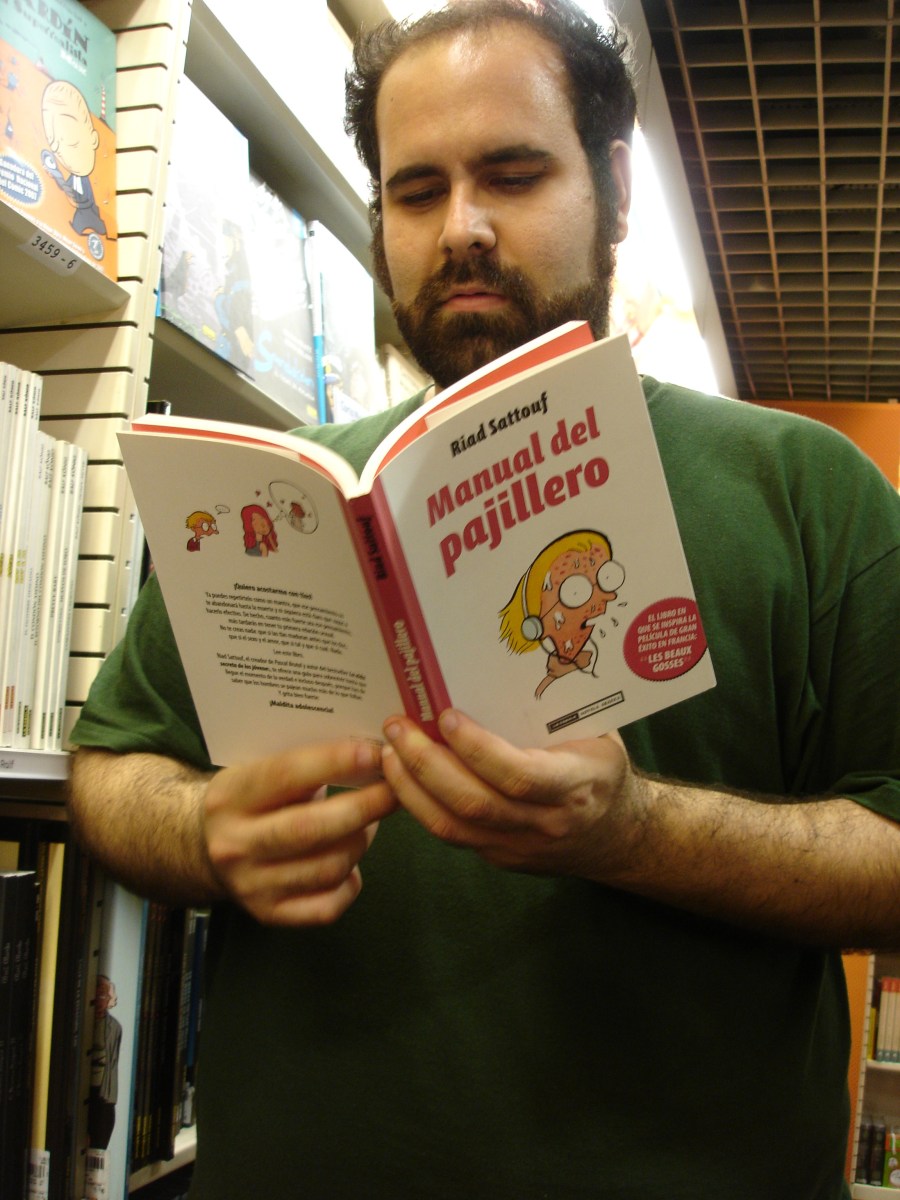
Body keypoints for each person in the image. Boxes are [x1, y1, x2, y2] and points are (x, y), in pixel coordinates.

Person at [66, 2, 900, 1197]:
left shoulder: (808, 489)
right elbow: (110, 771)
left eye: (513, 174)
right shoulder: (280, 498)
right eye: (417, 191)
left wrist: (636, 835)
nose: (461, 227)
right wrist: (201, 832)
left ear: (616, 186)